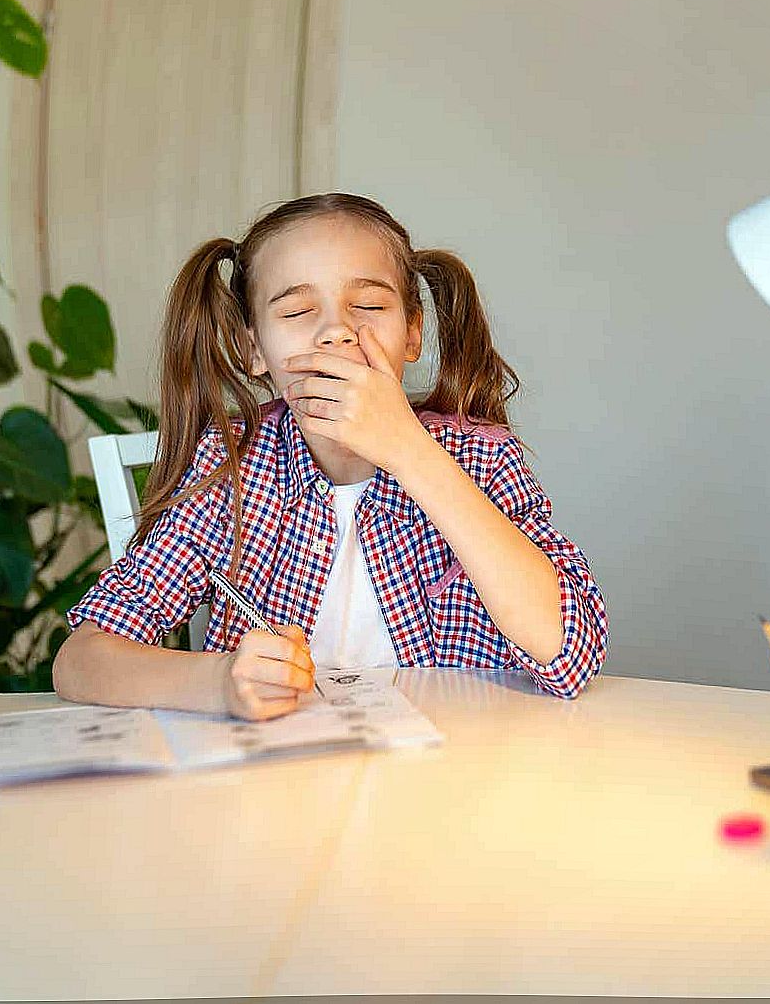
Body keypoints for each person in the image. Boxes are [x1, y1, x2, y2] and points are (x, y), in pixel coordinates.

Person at [54, 193, 608, 719]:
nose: (337, 331)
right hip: (281, 788)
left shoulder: (481, 456)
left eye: (368, 305)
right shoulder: (235, 467)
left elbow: (569, 652)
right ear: (253, 348)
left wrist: (410, 451)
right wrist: (220, 683)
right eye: (297, 311)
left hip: (453, 780)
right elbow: (80, 661)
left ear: (412, 333)